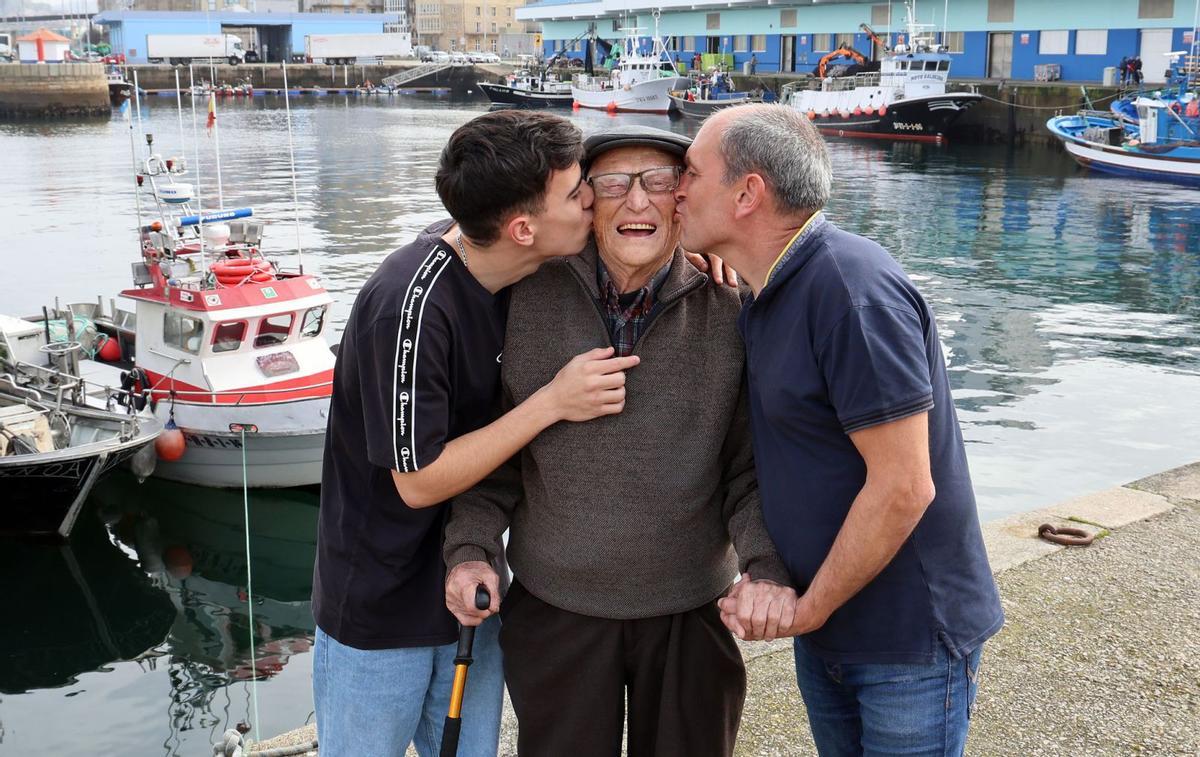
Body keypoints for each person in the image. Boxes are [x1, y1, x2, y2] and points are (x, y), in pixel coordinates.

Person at [443, 124, 795, 756]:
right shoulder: (524, 294)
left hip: (691, 612)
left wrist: (765, 568)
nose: (637, 201)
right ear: (585, 201)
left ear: (682, 198)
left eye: (659, 182)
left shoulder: (732, 307)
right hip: (557, 613)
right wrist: (470, 550)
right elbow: (494, 450)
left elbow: (748, 468)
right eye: (611, 184)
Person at [675, 104, 1004, 755]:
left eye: (689, 172)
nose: (674, 188)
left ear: (748, 193)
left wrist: (811, 607)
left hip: (906, 639)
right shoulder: (768, 289)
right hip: (832, 627)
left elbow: (904, 487)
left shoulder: (850, 291)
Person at [312, 110, 642, 757]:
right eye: (577, 193)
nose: (592, 201)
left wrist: (705, 254)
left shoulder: (521, 267)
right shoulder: (408, 304)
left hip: (474, 587)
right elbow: (419, 479)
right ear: (522, 228)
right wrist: (552, 402)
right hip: (380, 608)